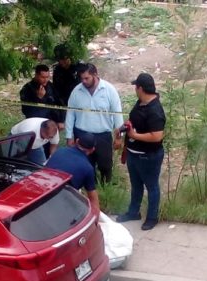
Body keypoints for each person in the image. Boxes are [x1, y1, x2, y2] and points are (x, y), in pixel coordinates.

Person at [116, 73, 167, 231]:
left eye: (136, 87)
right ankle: (133, 212)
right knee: (136, 185)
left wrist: (134, 135)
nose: (135, 89)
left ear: (141, 88)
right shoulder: (140, 103)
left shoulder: (155, 110)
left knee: (151, 186)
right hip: (133, 153)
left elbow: (157, 136)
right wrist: (126, 128)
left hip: (148, 156)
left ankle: (152, 217)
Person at [64, 63, 124, 184]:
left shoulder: (109, 90)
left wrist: (119, 137)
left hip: (103, 135)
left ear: (95, 75)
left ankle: (106, 190)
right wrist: (69, 136)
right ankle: (89, 189)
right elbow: (70, 114)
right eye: (81, 78)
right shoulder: (77, 91)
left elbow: (117, 114)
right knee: (85, 165)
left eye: (87, 78)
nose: (84, 81)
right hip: (82, 135)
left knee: (105, 166)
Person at [45, 137, 100, 215]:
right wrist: (96, 217)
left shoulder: (60, 150)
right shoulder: (88, 168)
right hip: (61, 199)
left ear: (77, 141)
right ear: (92, 150)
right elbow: (92, 196)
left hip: (44, 188)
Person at [52, 44, 81, 108]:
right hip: (63, 104)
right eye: (59, 59)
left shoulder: (79, 68)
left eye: (64, 59)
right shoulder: (57, 70)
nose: (61, 62)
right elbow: (55, 89)